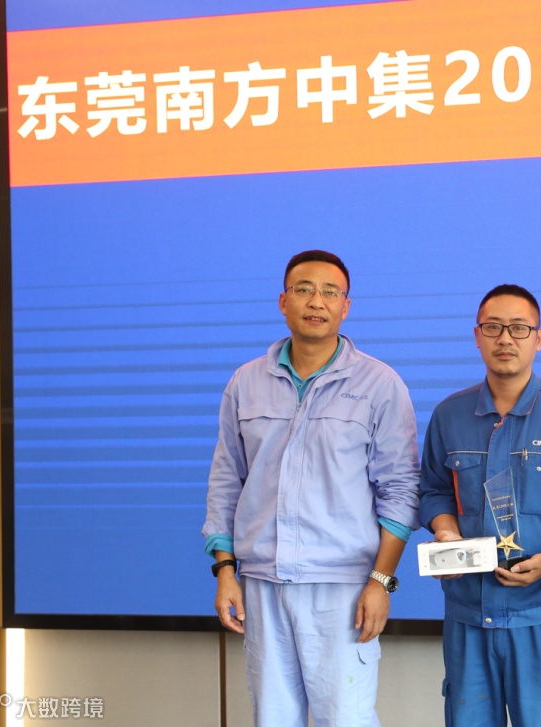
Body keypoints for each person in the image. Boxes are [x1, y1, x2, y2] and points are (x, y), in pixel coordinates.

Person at [202, 250, 420, 726]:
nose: (316, 301)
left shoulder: (380, 384)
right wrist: (225, 570)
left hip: (343, 588)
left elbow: (401, 491)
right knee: (272, 719)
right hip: (262, 583)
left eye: (329, 292)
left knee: (345, 719)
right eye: (303, 290)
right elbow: (226, 479)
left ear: (346, 306)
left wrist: (381, 581)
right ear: (283, 301)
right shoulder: (246, 382)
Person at [419, 284, 541, 727]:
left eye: (519, 328)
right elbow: (433, 490)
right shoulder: (449, 415)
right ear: (477, 335)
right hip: (468, 617)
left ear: (539, 338)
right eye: (493, 327)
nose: (505, 338)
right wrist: (446, 533)